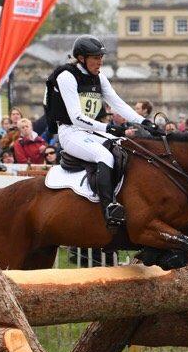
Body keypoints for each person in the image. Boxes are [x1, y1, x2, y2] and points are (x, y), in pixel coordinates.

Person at [43, 35, 155, 228]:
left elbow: (118, 104)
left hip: (92, 131)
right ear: (81, 58)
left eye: (101, 57)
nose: (100, 62)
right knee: (105, 156)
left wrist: (143, 121)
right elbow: (77, 117)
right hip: (71, 132)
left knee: (129, 147)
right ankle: (109, 208)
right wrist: (109, 127)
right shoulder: (66, 76)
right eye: (95, 58)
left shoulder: (99, 77)